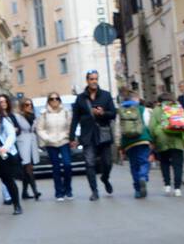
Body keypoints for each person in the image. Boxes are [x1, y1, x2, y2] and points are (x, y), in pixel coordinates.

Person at [70, 70, 116, 200]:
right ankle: (94, 191)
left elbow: (113, 113)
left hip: (103, 134)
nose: (94, 81)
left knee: (107, 163)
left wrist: (103, 113)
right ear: (87, 80)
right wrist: (71, 137)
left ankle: (105, 178)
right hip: (88, 135)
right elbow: (75, 118)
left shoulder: (106, 95)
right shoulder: (80, 98)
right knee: (89, 163)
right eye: (91, 79)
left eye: (96, 78)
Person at [37, 93, 74, 200]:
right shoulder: (44, 114)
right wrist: (47, 138)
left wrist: (67, 136)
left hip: (64, 141)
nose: (54, 100)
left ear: (60, 100)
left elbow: (70, 126)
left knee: (67, 165)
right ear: (48, 101)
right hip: (51, 143)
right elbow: (40, 129)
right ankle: (59, 192)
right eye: (52, 99)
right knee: (56, 168)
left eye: (56, 98)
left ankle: (68, 189)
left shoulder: (66, 112)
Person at [150, 95, 184, 196]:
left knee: (164, 162)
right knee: (178, 164)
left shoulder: (156, 110)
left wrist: (152, 140)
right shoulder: (178, 108)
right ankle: (177, 188)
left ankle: (167, 185)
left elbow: (151, 126)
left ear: (159, 102)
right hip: (177, 138)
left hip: (162, 138)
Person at [117, 88, 153, 199]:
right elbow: (149, 125)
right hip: (143, 140)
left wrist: (119, 145)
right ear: (136, 99)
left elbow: (117, 130)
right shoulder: (143, 109)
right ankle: (143, 176)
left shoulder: (120, 111)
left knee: (133, 166)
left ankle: (137, 189)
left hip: (128, 143)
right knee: (144, 162)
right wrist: (151, 140)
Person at [14, 98, 42, 200]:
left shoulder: (33, 116)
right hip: (22, 143)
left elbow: (35, 129)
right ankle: (35, 191)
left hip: (32, 143)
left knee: (27, 169)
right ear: (22, 106)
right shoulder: (17, 117)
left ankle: (24, 193)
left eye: (30, 105)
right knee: (28, 167)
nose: (29, 106)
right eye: (26, 105)